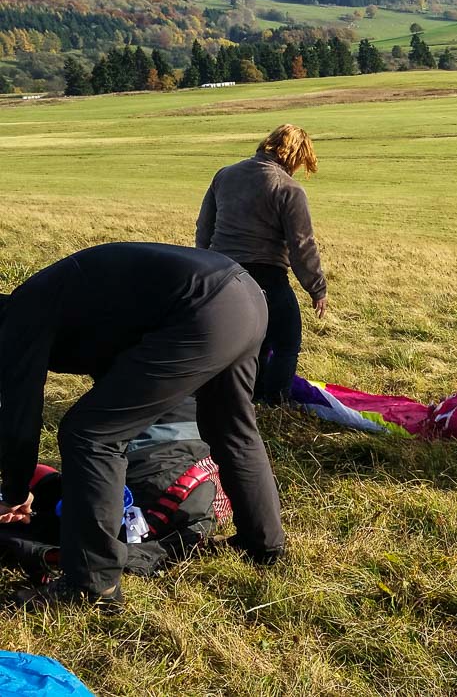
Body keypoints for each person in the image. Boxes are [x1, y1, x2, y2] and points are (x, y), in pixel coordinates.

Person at [0, 243, 286, 613]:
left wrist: (15, 490)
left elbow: (20, 420)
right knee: (231, 428)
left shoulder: (20, 318)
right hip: (246, 297)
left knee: (90, 434)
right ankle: (262, 544)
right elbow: (120, 360)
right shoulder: (55, 304)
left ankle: (91, 585)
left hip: (203, 306)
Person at [196, 123, 327, 405]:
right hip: (266, 274)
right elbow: (301, 245)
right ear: (295, 155)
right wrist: (317, 289)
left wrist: (204, 266)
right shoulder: (288, 188)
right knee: (287, 341)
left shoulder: (225, 175)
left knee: (253, 339)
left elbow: (204, 227)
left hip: (222, 272)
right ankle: (275, 404)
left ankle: (249, 395)